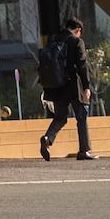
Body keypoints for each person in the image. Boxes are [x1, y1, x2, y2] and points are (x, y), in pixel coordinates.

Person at [39, 16, 96, 161]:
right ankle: (84, 150)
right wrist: (86, 87)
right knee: (81, 117)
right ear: (78, 30)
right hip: (73, 85)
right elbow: (82, 65)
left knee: (60, 117)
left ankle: (47, 138)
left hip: (57, 86)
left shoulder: (53, 40)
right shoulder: (76, 41)